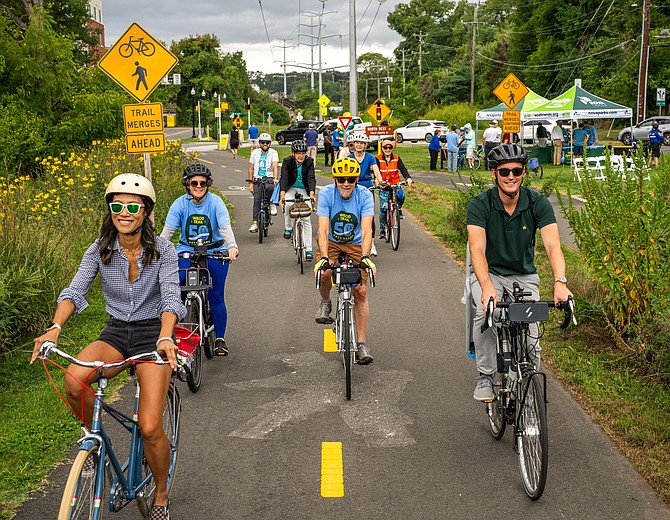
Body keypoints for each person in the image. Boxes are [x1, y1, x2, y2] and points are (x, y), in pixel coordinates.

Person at [31, 173, 186, 519]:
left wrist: (165, 336)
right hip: (116, 332)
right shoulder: (99, 248)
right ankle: (97, 441)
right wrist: (55, 327)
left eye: (133, 206)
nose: (124, 212)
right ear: (110, 210)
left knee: (149, 426)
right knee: (73, 381)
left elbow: (172, 299)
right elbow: (75, 291)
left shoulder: (163, 250)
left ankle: (160, 493)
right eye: (117, 205)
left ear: (146, 211)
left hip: (152, 333)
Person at [467, 144, 573, 401]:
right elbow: (477, 249)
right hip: (488, 272)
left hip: (524, 275)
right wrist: (487, 287)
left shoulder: (538, 203)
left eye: (516, 170)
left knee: (531, 329)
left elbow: (552, 245)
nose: (511, 176)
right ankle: (486, 375)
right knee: (486, 312)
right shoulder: (480, 204)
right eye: (504, 172)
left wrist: (560, 282)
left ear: (524, 172)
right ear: (494, 174)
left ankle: (529, 380)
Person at [160, 163, 239, 357]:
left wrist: (232, 246)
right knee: (177, 288)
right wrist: (158, 251)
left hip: (215, 251)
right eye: (194, 182)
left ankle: (219, 339)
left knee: (216, 296)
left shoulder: (216, 202)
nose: (198, 186)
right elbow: (168, 231)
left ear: (208, 184)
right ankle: (174, 330)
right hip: (187, 250)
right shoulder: (179, 204)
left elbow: (224, 227)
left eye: (203, 182)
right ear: (187, 184)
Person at [314, 157, 377, 364]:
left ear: (357, 179)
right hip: (331, 242)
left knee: (360, 291)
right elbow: (322, 230)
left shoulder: (365, 195)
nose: (346, 183)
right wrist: (324, 257)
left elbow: (367, 229)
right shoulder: (326, 194)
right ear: (335, 179)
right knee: (325, 273)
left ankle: (361, 344)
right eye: (341, 179)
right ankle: (326, 302)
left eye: (350, 178)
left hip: (356, 244)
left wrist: (366, 257)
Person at [279, 141, 317, 260]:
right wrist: (282, 196)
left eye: (303, 153)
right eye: (298, 153)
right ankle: (288, 228)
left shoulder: (309, 162)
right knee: (288, 204)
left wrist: (311, 194)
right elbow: (284, 179)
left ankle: (309, 249)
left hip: (304, 189)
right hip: (291, 188)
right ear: (293, 154)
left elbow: (311, 178)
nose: (301, 156)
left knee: (306, 217)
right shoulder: (287, 161)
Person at [349, 132, 383, 257]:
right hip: (354, 188)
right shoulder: (349, 158)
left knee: (369, 216)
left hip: (368, 187)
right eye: (357, 143)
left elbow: (376, 172)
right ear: (353, 144)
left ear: (365, 145)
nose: (359, 145)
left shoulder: (370, 157)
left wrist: (380, 182)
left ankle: (371, 243)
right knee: (352, 214)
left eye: (362, 143)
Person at [376, 139, 413, 240]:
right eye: (385, 148)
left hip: (396, 183)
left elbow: (403, 169)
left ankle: (399, 208)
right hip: (384, 185)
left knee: (401, 195)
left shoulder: (397, 158)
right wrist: (378, 182)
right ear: (382, 148)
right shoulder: (378, 159)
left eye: (390, 147)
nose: (388, 150)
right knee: (383, 208)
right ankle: (382, 229)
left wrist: (408, 178)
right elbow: (376, 173)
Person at [247, 133, 279, 232]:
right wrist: (251, 183)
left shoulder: (273, 153)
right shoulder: (254, 153)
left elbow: (275, 166)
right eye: (262, 142)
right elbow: (251, 169)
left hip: (268, 177)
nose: (265, 144)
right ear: (259, 143)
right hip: (258, 179)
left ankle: (271, 203)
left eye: (267, 142)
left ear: (270, 143)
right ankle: (255, 223)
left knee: (270, 188)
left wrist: (275, 177)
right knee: (257, 200)